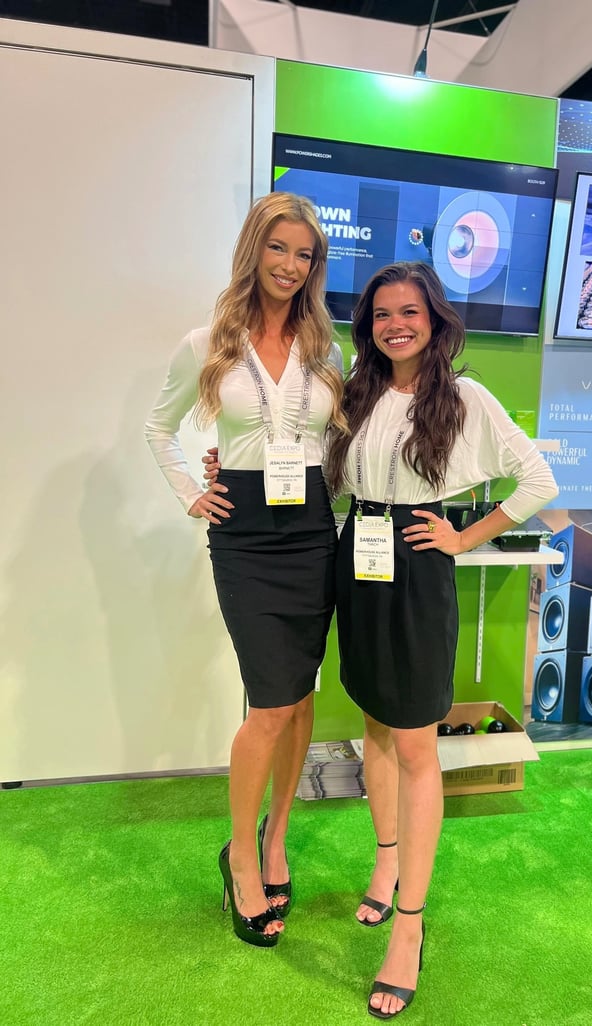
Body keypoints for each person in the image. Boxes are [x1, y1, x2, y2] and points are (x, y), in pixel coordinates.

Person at [322, 261, 559, 1019]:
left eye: (410, 312)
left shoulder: (462, 398)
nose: (396, 325)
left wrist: (463, 537)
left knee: (416, 744)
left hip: (418, 565)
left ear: (434, 320)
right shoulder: (355, 393)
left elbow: (538, 483)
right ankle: (385, 864)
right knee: (374, 722)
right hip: (357, 558)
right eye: (382, 314)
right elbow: (317, 468)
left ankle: (410, 928)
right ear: (368, 326)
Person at [144, 192, 346, 947]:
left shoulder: (327, 349)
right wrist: (194, 491)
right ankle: (239, 858)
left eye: (304, 254)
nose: (290, 265)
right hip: (245, 538)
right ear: (254, 250)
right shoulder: (206, 343)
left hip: (313, 530)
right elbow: (157, 427)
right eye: (278, 248)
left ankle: (276, 836)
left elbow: (337, 446)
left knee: (301, 699)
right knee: (269, 704)